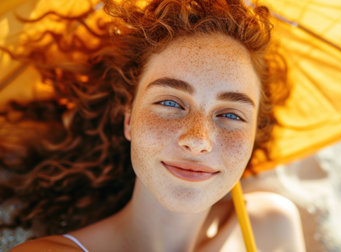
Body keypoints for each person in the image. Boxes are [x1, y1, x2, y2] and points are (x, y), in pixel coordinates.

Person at [2, 0, 304, 251]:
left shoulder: (271, 229)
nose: (198, 140)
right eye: (171, 103)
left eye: (231, 115)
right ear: (129, 118)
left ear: (254, 134)